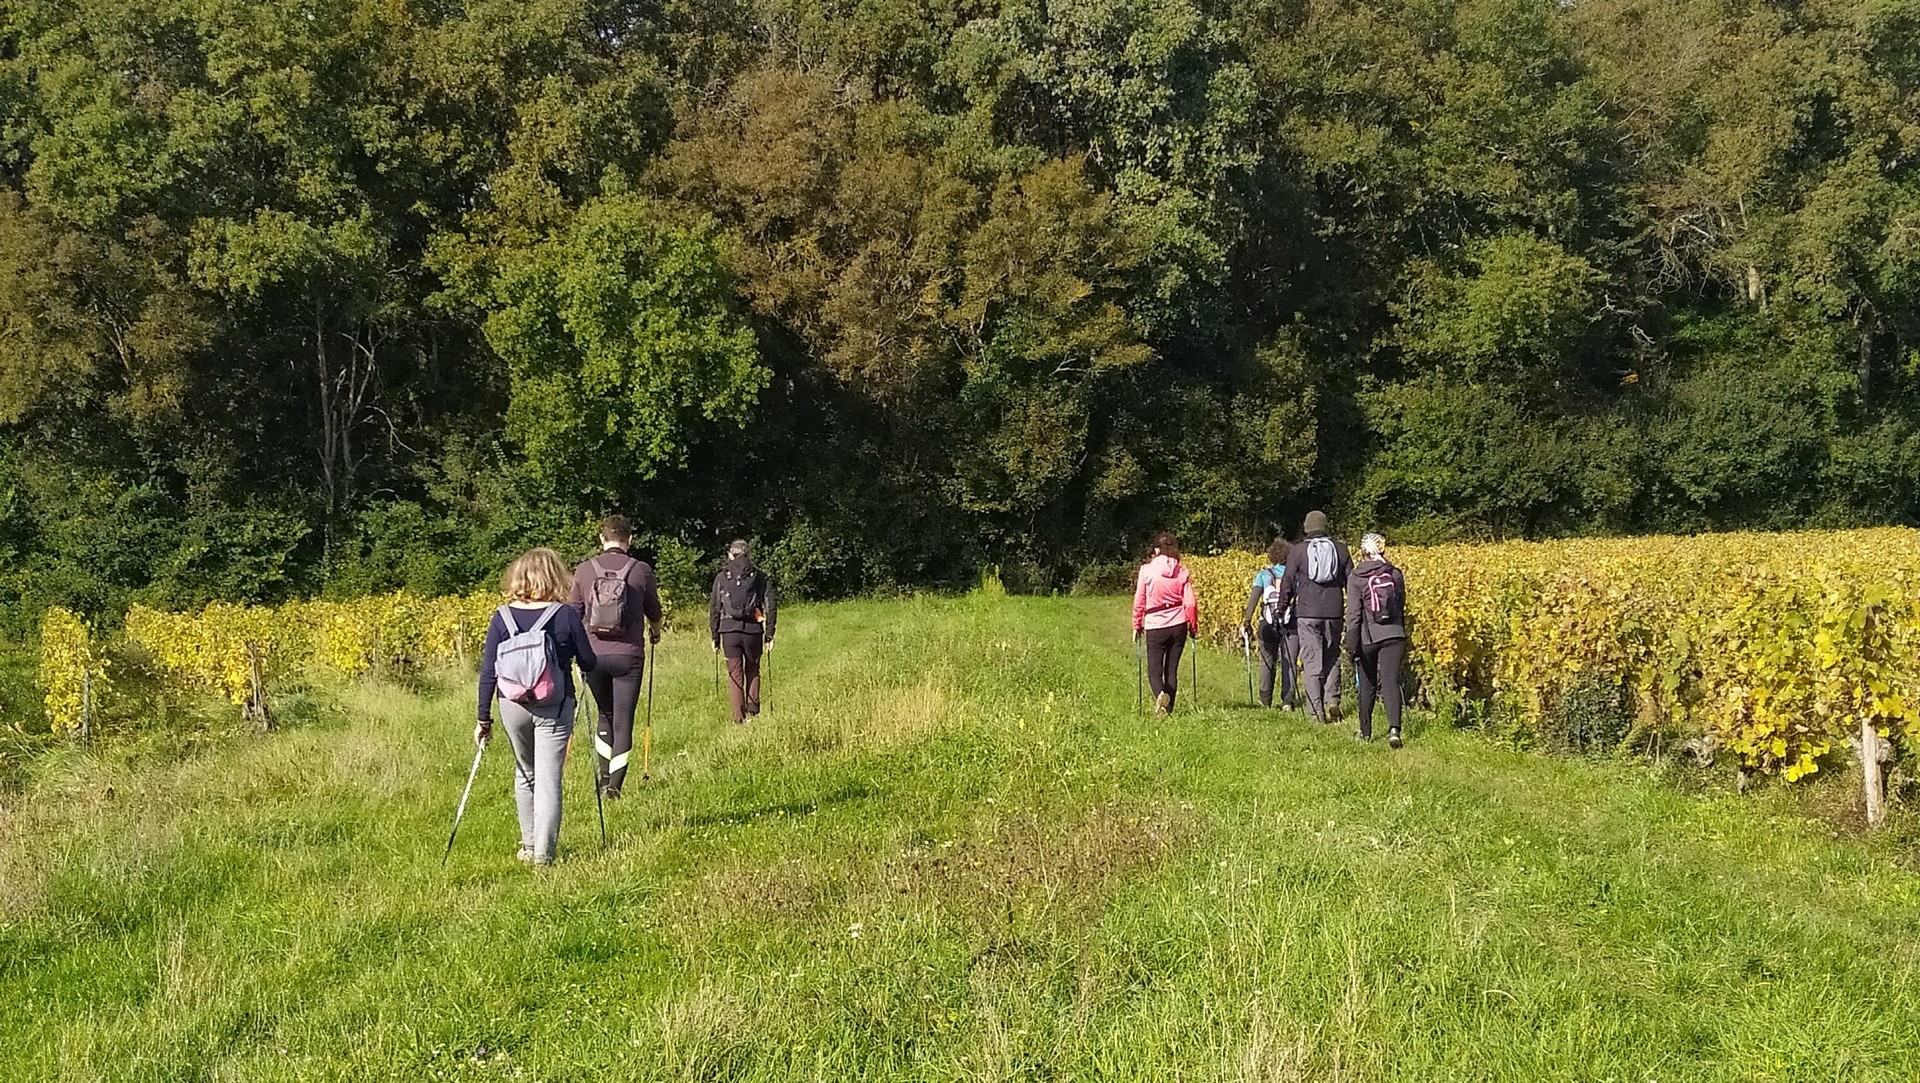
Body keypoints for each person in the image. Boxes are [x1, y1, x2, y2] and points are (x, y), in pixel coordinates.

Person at [477, 548, 598, 865]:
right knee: (548, 778)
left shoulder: (501, 617)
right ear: (554, 576)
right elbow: (588, 660)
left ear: (518, 578)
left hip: (511, 704)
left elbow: (488, 671)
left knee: (525, 773)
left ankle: (529, 846)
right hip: (554, 704)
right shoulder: (566, 615)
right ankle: (544, 854)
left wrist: (483, 719)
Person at [568, 515, 662, 799]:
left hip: (593, 655)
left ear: (602, 538)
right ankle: (614, 788)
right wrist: (655, 633)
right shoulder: (640, 570)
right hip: (628, 656)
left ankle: (604, 776)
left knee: (604, 715)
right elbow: (654, 612)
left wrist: (573, 651)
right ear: (629, 540)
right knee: (623, 719)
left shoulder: (584, 570)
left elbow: (574, 613)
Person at [1278, 510, 1351, 725]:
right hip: (1334, 612)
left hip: (1308, 613)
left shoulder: (1299, 551)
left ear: (1307, 527)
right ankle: (1332, 701)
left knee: (1311, 662)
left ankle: (1315, 713)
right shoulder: (1341, 549)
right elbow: (1351, 582)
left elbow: (1288, 582)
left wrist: (1281, 608)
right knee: (1332, 656)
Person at [1345, 532, 1409, 747]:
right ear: (1383, 550)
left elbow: (1353, 615)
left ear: (1362, 552)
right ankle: (1394, 730)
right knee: (1391, 681)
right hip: (1394, 634)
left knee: (1367, 684)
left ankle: (1365, 732)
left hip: (1368, 637)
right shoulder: (1395, 573)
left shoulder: (1356, 577)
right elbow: (1400, 604)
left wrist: (1351, 646)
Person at [709, 539, 777, 724]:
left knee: (734, 674)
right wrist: (769, 633)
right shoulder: (760, 576)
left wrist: (714, 636)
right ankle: (753, 713)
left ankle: (739, 718)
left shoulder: (722, 577)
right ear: (748, 554)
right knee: (753, 669)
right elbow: (770, 605)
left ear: (730, 554)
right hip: (753, 630)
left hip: (728, 631)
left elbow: (715, 607)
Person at [1131, 532, 1199, 713]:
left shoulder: (1146, 570)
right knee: (1171, 670)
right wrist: (1193, 626)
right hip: (1178, 624)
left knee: (1154, 670)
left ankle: (1160, 694)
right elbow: (1190, 603)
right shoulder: (1182, 571)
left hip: (1155, 625)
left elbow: (1140, 600)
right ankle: (1168, 710)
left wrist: (1137, 625)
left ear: (1156, 550)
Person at [1241, 537, 1299, 710]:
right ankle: (1287, 701)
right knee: (1290, 661)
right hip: (1290, 623)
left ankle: (1265, 700)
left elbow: (1253, 600)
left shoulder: (1263, 575)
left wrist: (1246, 621)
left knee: (1267, 661)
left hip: (1266, 623)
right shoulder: (1295, 575)